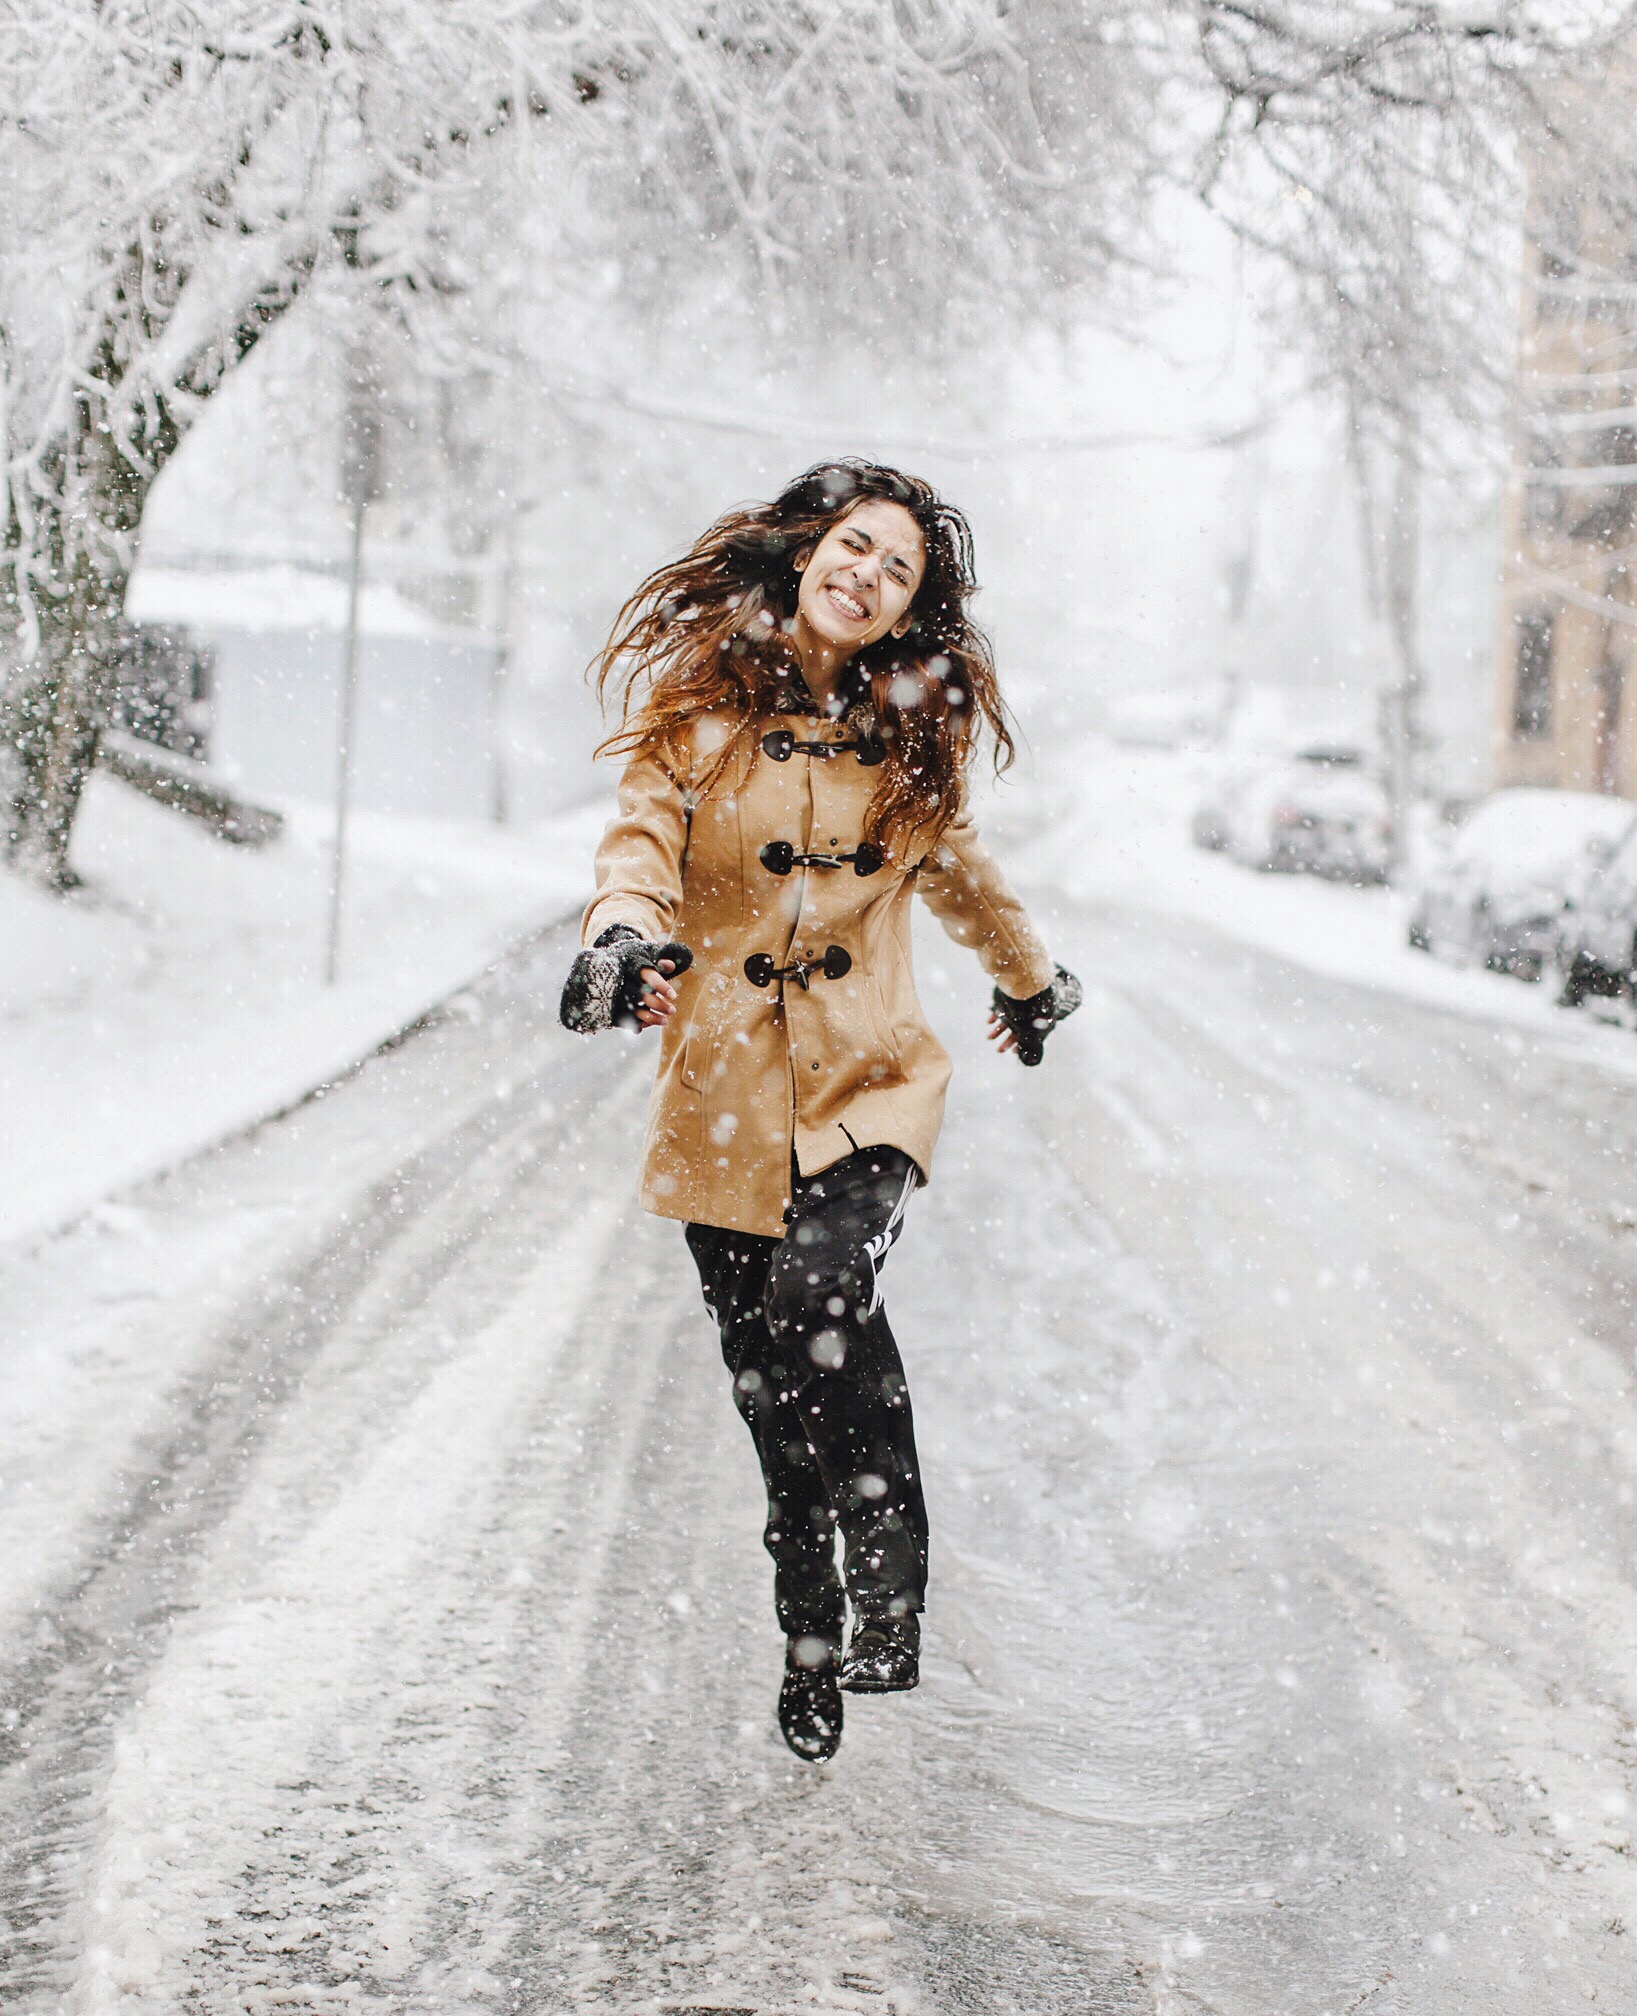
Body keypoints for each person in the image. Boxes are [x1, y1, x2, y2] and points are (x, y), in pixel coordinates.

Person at [560, 460, 1081, 1764]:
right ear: (806, 554)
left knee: (822, 1298)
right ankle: (808, 1597)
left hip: (867, 1082)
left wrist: (1034, 985)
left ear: (908, 613)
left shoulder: (906, 751)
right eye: (854, 546)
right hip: (726, 1097)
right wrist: (625, 937)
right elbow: (639, 843)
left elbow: (967, 885)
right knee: (766, 1386)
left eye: (896, 570)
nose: (866, 573)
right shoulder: (702, 712)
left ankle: (887, 1557)